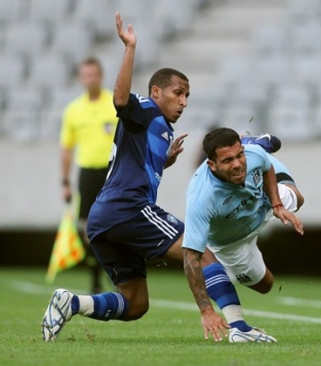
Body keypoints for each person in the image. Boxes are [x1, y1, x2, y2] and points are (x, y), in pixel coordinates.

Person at [41, 12, 191, 342]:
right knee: (197, 250)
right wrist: (130, 48)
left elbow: (132, 158)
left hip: (106, 215)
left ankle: (72, 302)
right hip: (126, 207)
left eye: (186, 97)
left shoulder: (157, 128)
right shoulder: (146, 109)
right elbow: (121, 100)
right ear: (156, 91)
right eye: (178, 93)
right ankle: (235, 323)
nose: (182, 102)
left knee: (136, 304)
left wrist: (164, 162)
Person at [182, 127, 305, 343]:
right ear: (212, 164)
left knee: (298, 198)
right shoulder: (201, 198)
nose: (238, 164)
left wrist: (276, 204)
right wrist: (206, 311)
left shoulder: (252, 155)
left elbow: (266, 166)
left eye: (239, 155)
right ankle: (238, 327)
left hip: (262, 201)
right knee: (265, 285)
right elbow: (192, 256)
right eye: (228, 160)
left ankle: (257, 143)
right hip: (232, 241)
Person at [59, 57, 118, 294]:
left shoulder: (113, 104)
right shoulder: (73, 110)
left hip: (112, 172)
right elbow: (66, 148)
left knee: (115, 223)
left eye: (93, 74)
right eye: (85, 75)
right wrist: (64, 181)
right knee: (87, 227)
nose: (89, 79)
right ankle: (95, 275)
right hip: (87, 174)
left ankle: (119, 273)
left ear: (100, 76)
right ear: (80, 78)